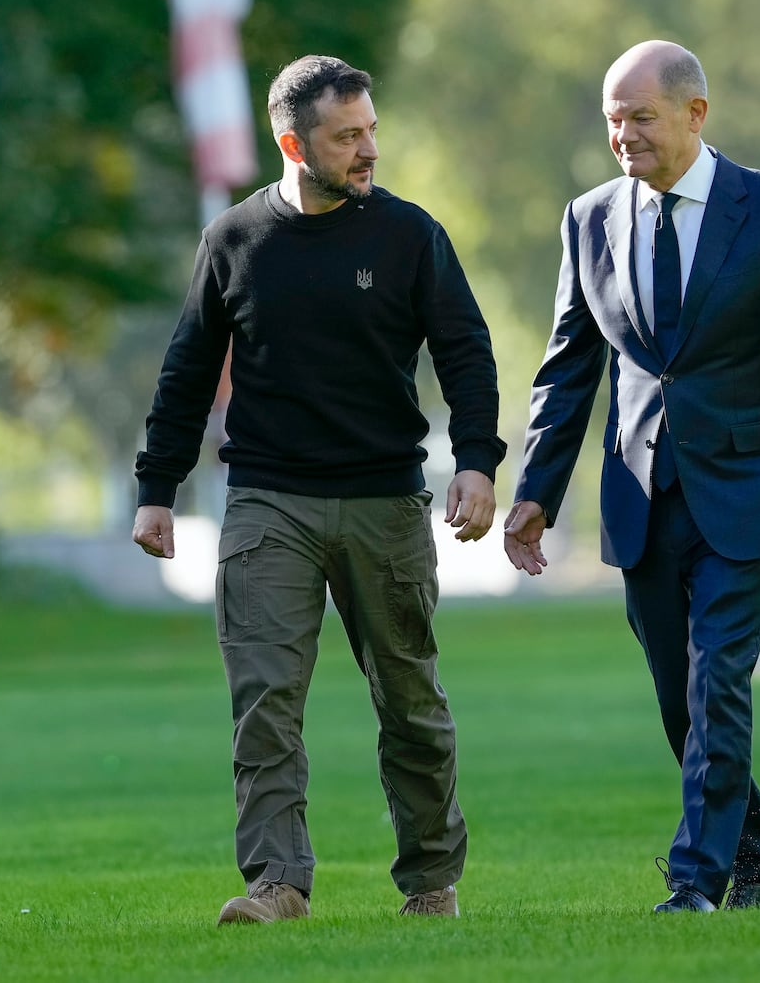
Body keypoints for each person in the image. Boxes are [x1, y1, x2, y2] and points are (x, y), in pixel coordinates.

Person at [132, 55, 505, 925]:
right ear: (292, 141)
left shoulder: (410, 236)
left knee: (410, 702)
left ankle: (430, 880)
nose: (368, 148)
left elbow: (467, 353)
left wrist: (480, 463)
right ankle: (277, 884)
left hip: (386, 500)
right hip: (269, 501)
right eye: (349, 136)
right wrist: (157, 486)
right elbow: (188, 370)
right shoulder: (232, 240)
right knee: (264, 702)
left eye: (371, 130)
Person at [503, 41, 760, 913]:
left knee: (718, 682)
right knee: (681, 697)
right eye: (612, 120)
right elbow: (567, 371)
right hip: (640, 497)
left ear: (695, 114)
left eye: (641, 116)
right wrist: (534, 494)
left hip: (747, 489)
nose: (623, 134)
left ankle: (696, 880)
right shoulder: (588, 218)